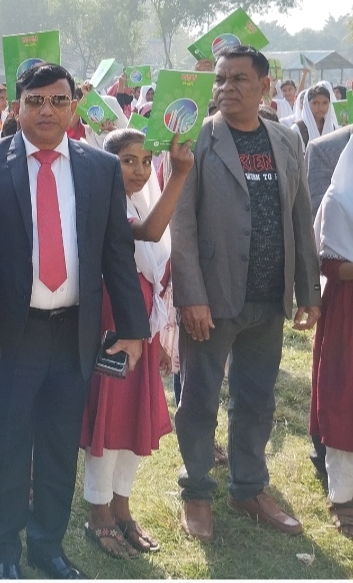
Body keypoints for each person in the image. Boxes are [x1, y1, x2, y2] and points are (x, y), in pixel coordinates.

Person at [0, 63, 148, 580]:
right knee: (5, 443)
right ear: (17, 105)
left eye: (58, 100)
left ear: (73, 106)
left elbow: (116, 252)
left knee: (59, 445)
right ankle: (4, 549)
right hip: (13, 333)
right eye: (36, 100)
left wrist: (133, 329)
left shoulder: (99, 168)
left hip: (74, 332)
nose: (47, 110)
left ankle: (48, 546)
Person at [171, 45, 321, 544]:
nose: (226, 88)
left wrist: (308, 289)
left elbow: (300, 216)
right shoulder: (197, 140)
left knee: (257, 398)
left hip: (268, 296)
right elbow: (181, 224)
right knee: (199, 398)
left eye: (238, 79)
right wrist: (191, 296)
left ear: (264, 86)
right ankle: (196, 491)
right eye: (220, 79)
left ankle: (248, 487)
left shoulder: (285, 139)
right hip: (213, 299)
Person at [78, 129, 194, 559]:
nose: (140, 170)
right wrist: (178, 174)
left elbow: (156, 271)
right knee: (110, 420)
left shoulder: (142, 200)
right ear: (108, 164)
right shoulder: (105, 207)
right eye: (128, 161)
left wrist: (157, 335)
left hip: (141, 326)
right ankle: (99, 512)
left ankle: (122, 506)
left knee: (133, 419)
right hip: (113, 323)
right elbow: (149, 232)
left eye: (147, 161)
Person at [310, 134, 353, 539]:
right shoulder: (340, 199)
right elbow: (328, 263)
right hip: (348, 312)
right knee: (345, 397)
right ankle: (343, 497)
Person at [294, 82, 338, 148]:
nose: (320, 108)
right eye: (315, 103)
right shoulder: (298, 129)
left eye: (325, 103)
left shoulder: (333, 128)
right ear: (307, 104)